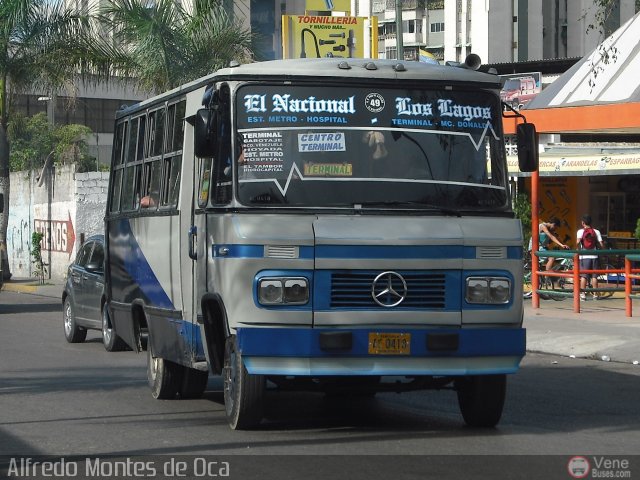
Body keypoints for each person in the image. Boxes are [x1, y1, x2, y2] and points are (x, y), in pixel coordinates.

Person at [576, 214, 604, 301]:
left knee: (584, 276)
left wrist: (578, 248)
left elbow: (577, 243)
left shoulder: (580, 232)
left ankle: (583, 295)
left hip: (584, 256)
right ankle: (595, 294)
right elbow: (601, 245)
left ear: (583, 223)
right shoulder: (596, 231)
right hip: (594, 256)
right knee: (594, 276)